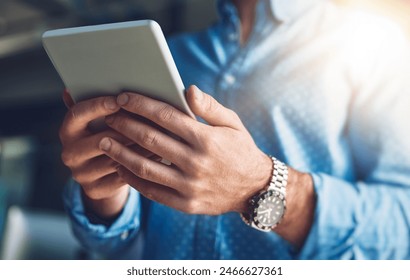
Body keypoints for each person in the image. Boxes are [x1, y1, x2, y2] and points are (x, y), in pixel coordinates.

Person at [60, 0, 410, 259]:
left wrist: (261, 186)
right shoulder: (173, 54)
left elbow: (402, 227)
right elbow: (116, 252)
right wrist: (105, 194)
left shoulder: (377, 45)